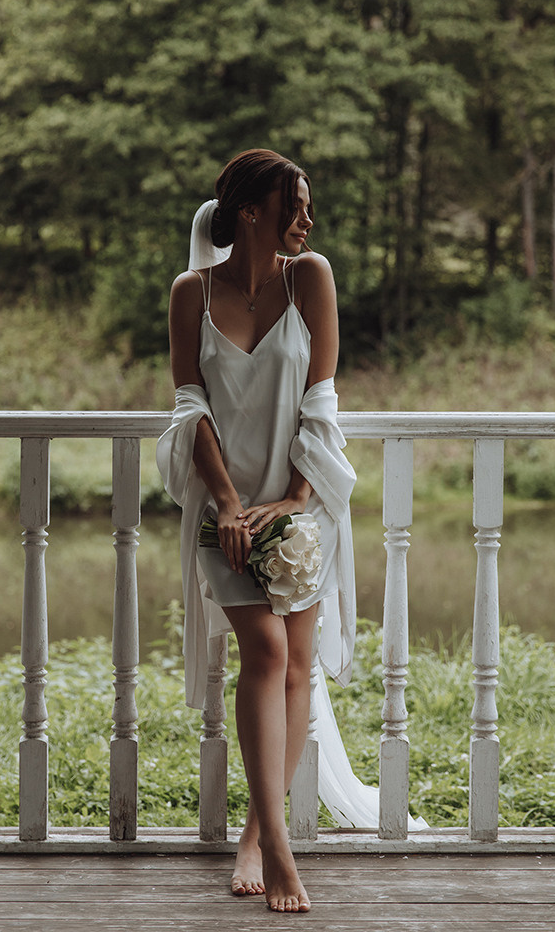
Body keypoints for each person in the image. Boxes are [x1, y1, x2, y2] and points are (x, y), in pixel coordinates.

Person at [156, 148, 360, 913]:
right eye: (294, 206)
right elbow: (190, 407)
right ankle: (279, 849)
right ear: (251, 213)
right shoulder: (191, 292)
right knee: (266, 652)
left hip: (300, 502)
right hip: (224, 508)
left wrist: (296, 497)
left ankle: (256, 827)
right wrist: (228, 502)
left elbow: (323, 400)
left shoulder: (311, 279)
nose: (306, 220)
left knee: (299, 669)